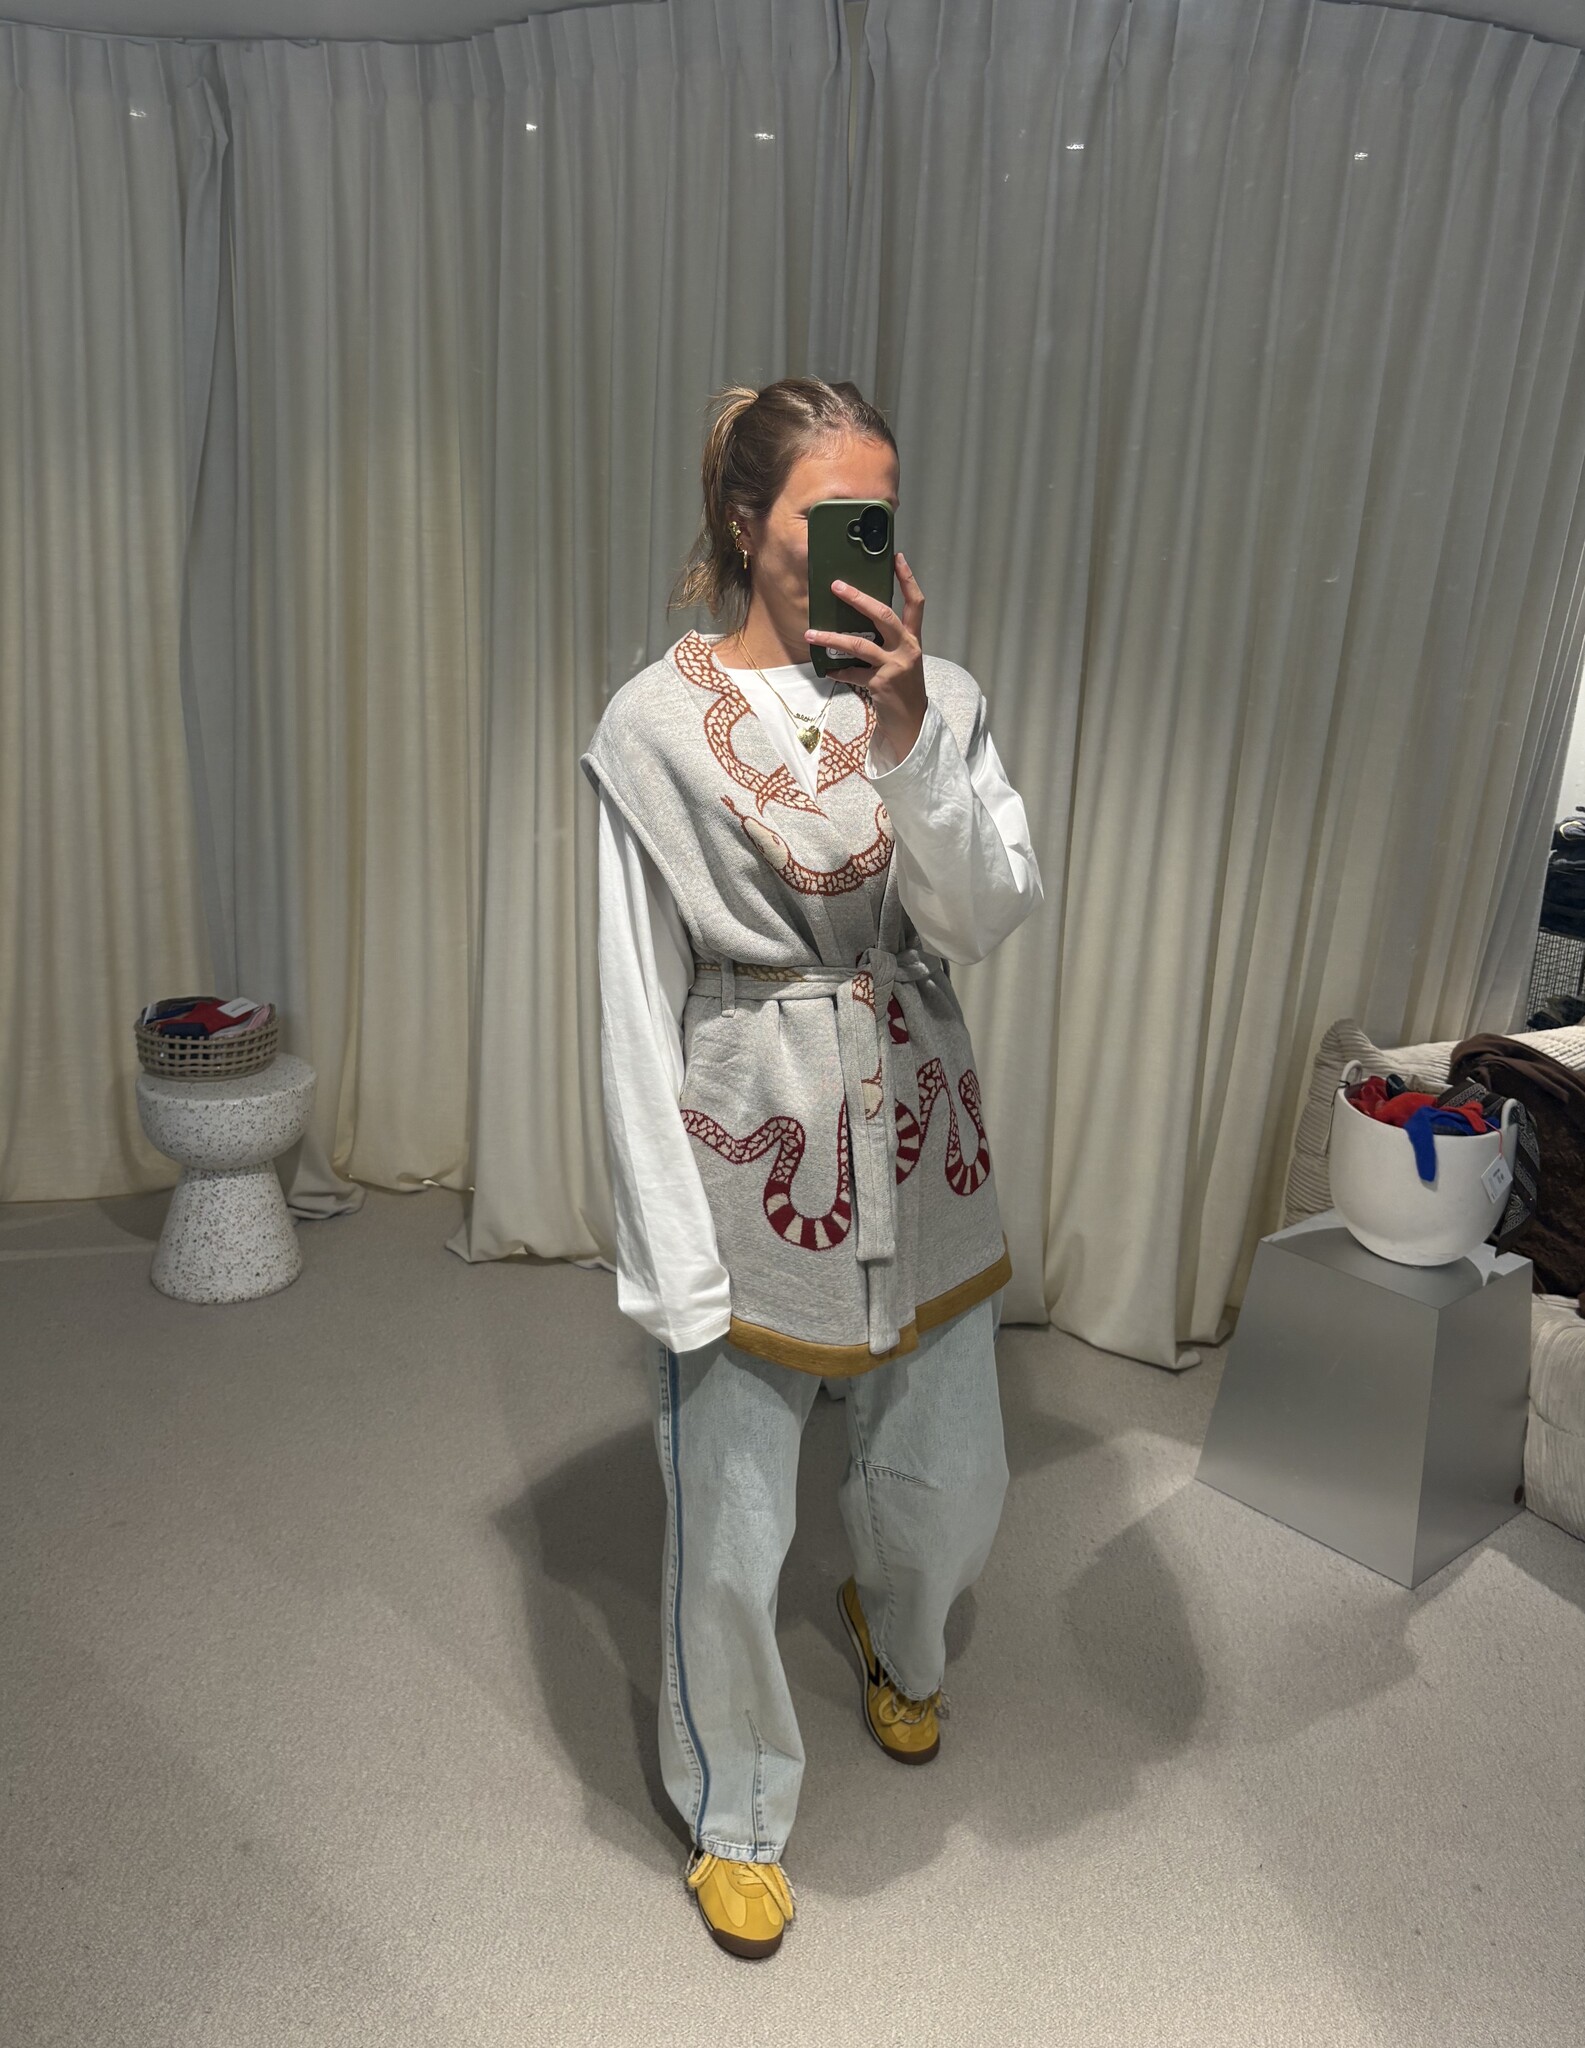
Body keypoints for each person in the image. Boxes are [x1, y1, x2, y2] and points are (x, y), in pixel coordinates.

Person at [579, 377, 1042, 1958]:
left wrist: (907, 740)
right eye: (823, 514)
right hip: (749, 1124)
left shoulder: (941, 698)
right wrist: (666, 1248)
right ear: (742, 524)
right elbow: (629, 994)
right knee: (728, 1509)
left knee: (951, 1463)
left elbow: (982, 916)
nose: (859, 540)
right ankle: (735, 1806)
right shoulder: (653, 727)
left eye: (877, 514)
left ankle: (897, 1623)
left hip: (918, 1125)